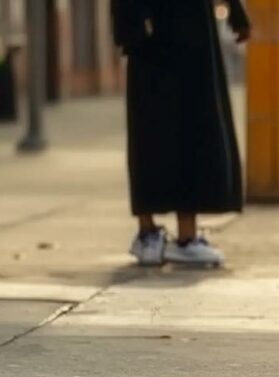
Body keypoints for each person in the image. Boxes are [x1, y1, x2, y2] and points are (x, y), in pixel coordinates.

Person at [112, 0, 251, 266]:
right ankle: (155, 233)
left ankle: (173, 235)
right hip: (161, 26)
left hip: (184, 26)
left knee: (186, 124)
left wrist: (235, 9)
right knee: (159, 125)